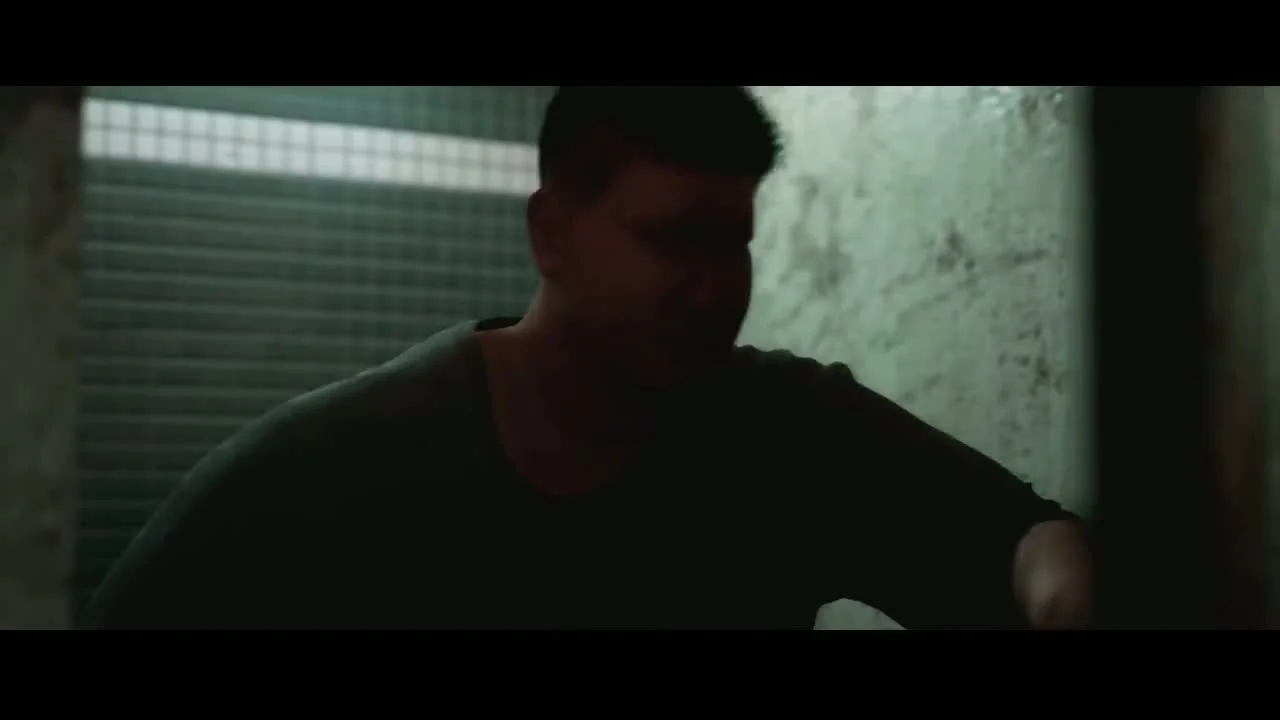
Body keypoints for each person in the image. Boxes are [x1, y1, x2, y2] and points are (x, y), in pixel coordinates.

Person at [83, 86, 1092, 630]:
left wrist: (1059, 589)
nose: (714, 288)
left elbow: (1020, 537)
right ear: (550, 234)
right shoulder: (342, 465)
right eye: (672, 241)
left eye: (732, 243)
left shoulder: (783, 429)